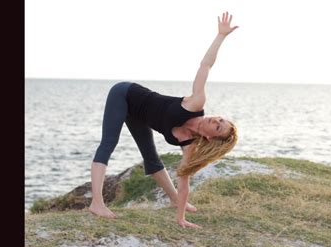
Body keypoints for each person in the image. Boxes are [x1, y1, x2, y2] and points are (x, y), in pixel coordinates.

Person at [89, 11, 239, 229]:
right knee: (109, 142)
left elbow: (184, 180)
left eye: (218, 125)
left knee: (152, 158)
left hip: (138, 115)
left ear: (209, 136)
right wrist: (221, 36)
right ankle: (97, 203)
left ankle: (175, 201)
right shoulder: (196, 103)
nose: (216, 119)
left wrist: (181, 218)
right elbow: (205, 66)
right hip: (125, 93)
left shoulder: (188, 143)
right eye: (220, 119)